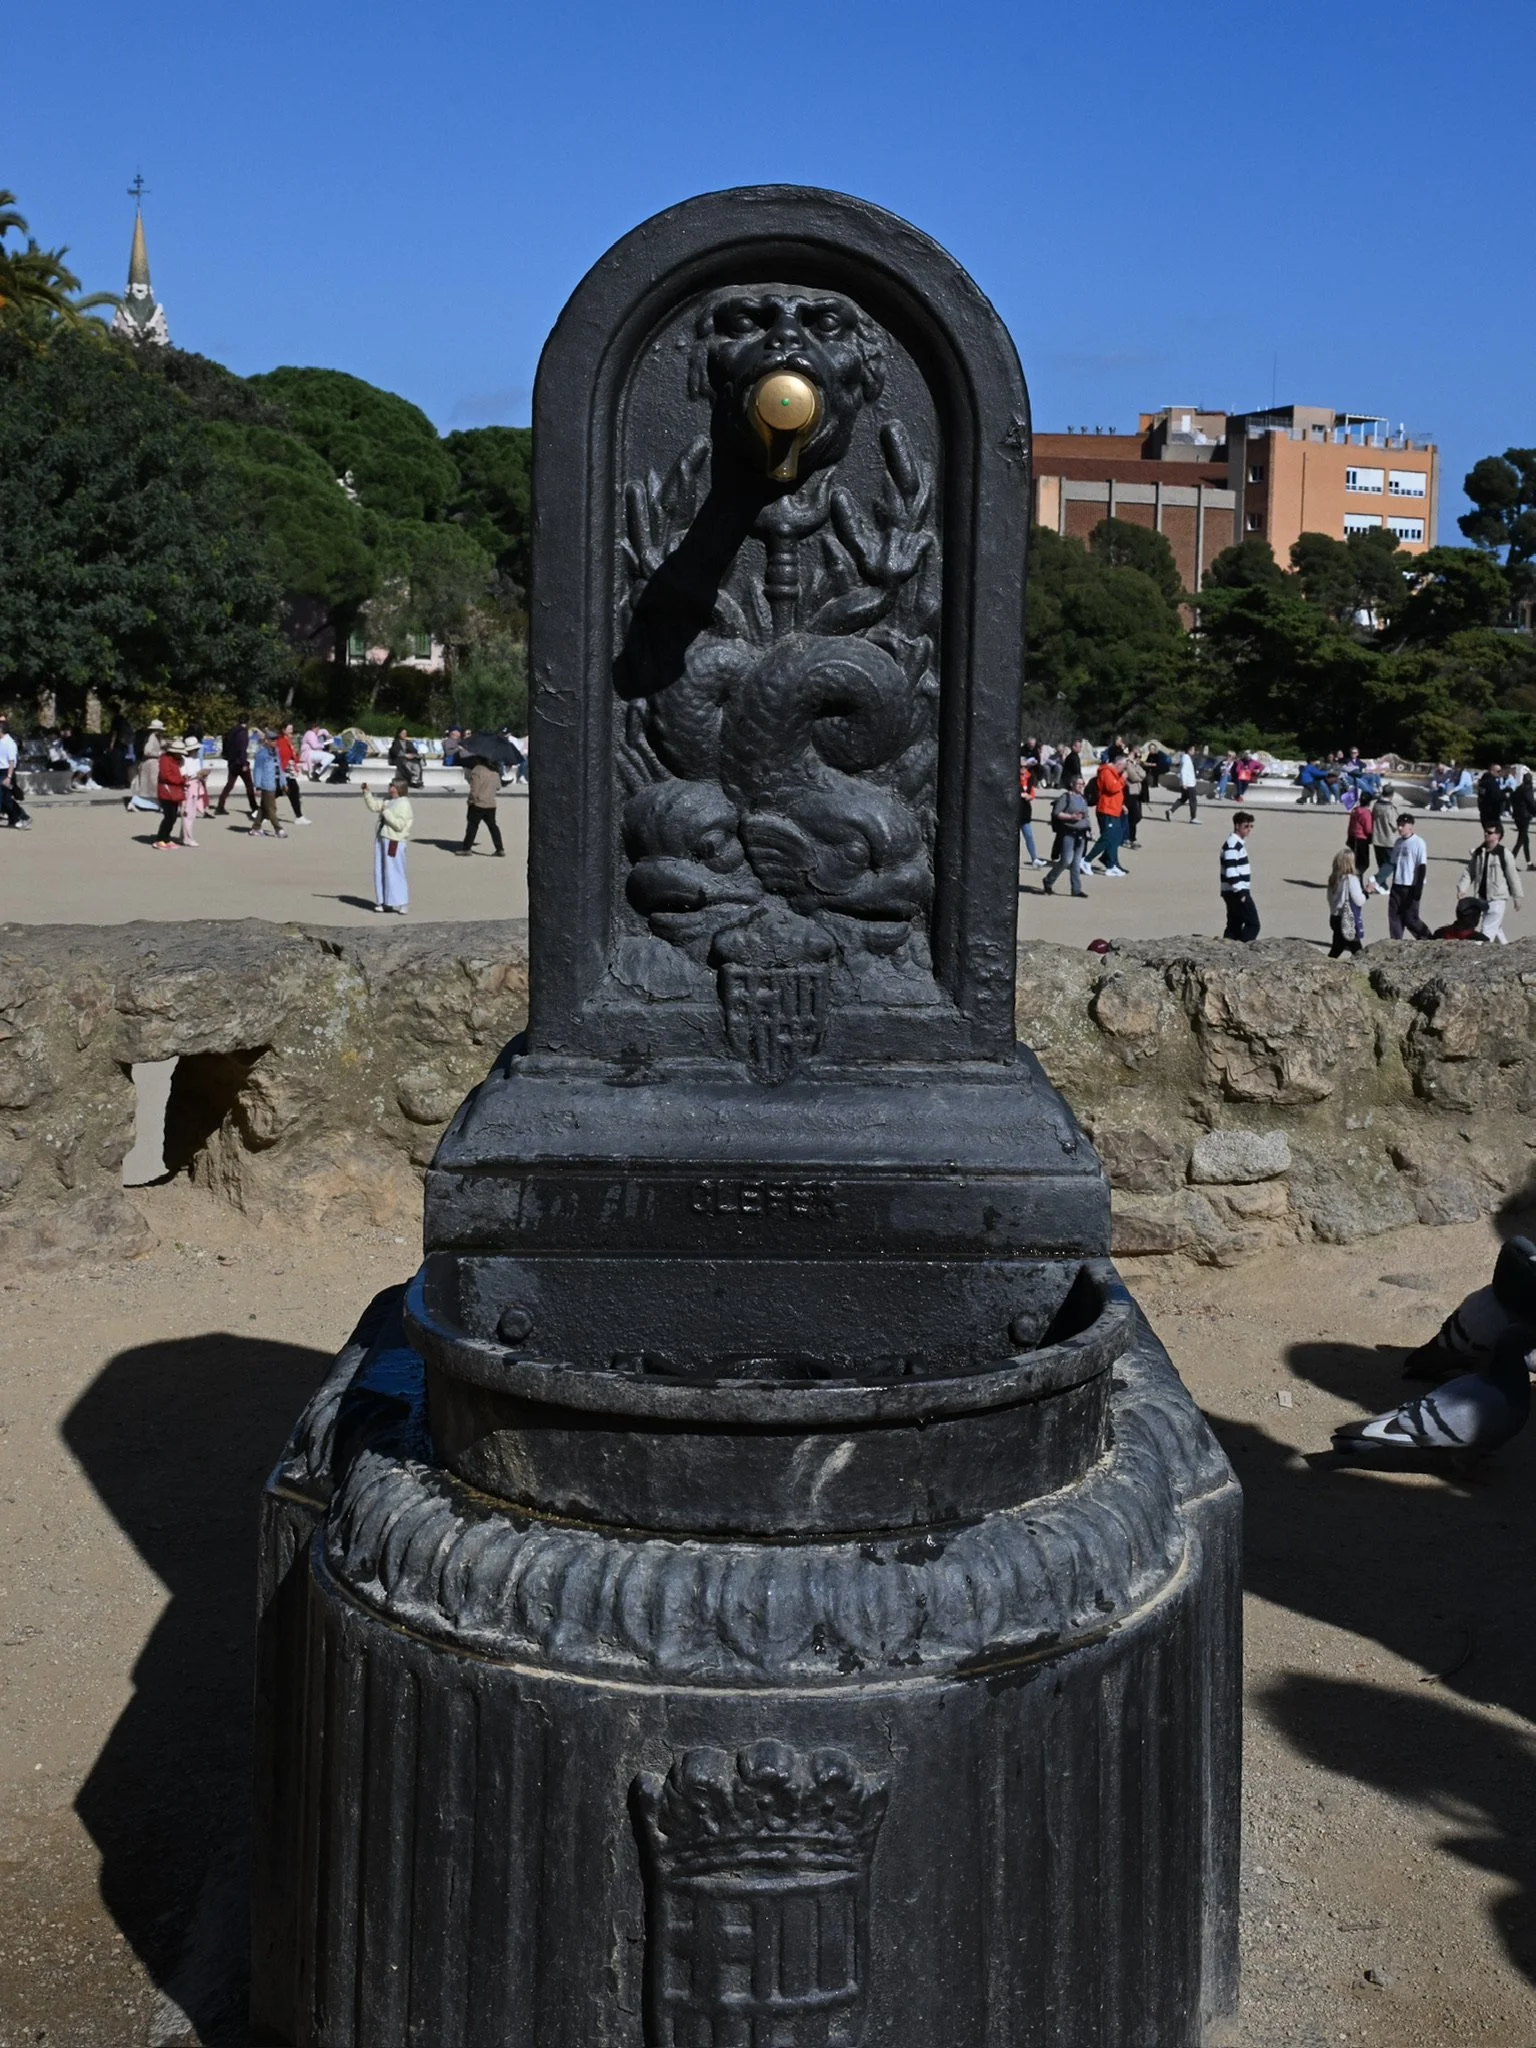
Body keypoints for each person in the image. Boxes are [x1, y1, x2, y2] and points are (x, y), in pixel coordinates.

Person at [1457, 821, 1523, 944]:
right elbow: (1469, 872)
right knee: (1496, 929)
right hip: (1482, 898)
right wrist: (1462, 888)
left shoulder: (1505, 854)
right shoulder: (1478, 852)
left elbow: (1513, 877)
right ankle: (1507, 952)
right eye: (1485, 832)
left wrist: (1517, 897)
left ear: (1498, 835)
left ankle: (1477, 959)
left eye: (1490, 832)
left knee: (1486, 930)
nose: (1486, 834)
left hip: (1498, 899)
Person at [362, 771, 414, 912]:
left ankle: (402, 902)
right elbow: (374, 806)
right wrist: (367, 793)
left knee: (395, 871)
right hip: (382, 838)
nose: (390, 788)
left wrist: (386, 812)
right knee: (380, 870)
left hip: (394, 841)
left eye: (393, 786)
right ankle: (384, 901)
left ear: (399, 789)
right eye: (390, 786)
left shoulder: (404, 804)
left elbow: (399, 825)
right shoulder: (389, 801)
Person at [1040, 776, 1091, 896]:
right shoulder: (1066, 797)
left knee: (1076, 862)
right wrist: (1071, 817)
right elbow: (1057, 813)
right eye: (1078, 784)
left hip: (1082, 833)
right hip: (1068, 832)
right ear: (1072, 784)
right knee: (1066, 860)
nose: (1081, 786)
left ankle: (1076, 889)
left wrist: (1089, 829)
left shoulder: (1082, 798)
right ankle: (1048, 880)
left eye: (1082, 784)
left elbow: (1086, 816)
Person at [1084, 745, 1128, 875]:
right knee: (1107, 837)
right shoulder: (1106, 772)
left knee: (1115, 837)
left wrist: (1122, 805)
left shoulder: (1114, 774)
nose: (1123, 769)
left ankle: (1111, 865)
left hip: (1114, 809)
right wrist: (1122, 779)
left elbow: (1116, 792)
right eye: (1123, 766)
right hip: (1106, 809)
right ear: (1118, 764)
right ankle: (1086, 860)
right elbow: (1112, 788)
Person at [1387, 813, 1431, 939]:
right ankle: (1395, 943)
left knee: (1411, 918)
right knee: (1394, 916)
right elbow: (1393, 863)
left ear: (1410, 826)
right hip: (1397, 885)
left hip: (1411, 886)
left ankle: (1427, 938)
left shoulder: (1419, 842)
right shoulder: (1398, 843)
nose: (1400, 828)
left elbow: (1422, 866)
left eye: (1403, 825)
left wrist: (1418, 889)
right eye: (1398, 825)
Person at [1219, 810, 1259, 941]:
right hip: (1236, 892)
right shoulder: (1232, 844)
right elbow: (1231, 871)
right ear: (1237, 826)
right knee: (1253, 924)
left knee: (1234, 925)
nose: (1249, 829)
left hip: (1233, 891)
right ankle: (1241, 950)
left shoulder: (1236, 843)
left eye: (1250, 826)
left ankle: (1226, 950)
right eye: (1246, 826)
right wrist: (1241, 893)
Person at [457, 754, 506, 857]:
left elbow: (474, 789)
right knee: (493, 827)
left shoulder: (477, 770)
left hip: (478, 803)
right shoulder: (495, 771)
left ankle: (467, 848)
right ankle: (500, 848)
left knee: (472, 826)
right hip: (491, 803)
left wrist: (471, 800)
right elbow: (498, 787)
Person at [1326, 846, 1369, 957]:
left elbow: (1330, 899)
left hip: (1334, 917)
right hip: (1347, 919)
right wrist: (1366, 893)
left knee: (1337, 948)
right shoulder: (1351, 879)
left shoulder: (1333, 879)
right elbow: (1359, 900)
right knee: (1358, 951)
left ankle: (1327, 967)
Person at [249, 729, 287, 839]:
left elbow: (280, 768)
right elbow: (258, 771)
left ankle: (256, 828)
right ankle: (278, 829)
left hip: (275, 784)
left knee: (265, 807)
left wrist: (283, 782)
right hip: (266, 784)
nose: (275, 742)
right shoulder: (261, 754)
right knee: (271, 808)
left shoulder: (277, 752)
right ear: (267, 741)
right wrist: (258, 787)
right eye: (272, 740)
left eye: (276, 740)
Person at [216, 712, 256, 816]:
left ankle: (220, 806)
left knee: (229, 785)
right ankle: (254, 807)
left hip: (232, 761)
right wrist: (244, 763)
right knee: (249, 786)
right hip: (240, 762)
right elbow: (241, 749)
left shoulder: (233, 731)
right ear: (248, 721)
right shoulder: (243, 732)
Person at [151, 736, 187, 848]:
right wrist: (181, 780)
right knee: (169, 816)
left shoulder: (176, 761)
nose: (181, 755)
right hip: (166, 791)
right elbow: (166, 776)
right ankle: (160, 838)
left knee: (173, 817)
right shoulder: (165, 760)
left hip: (174, 791)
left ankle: (166, 838)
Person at [274, 720, 310, 823]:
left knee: (288, 791)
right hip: (284, 770)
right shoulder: (281, 741)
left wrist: (297, 761)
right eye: (289, 729)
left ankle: (299, 816)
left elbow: (291, 755)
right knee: (288, 791)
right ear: (283, 730)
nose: (291, 730)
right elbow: (281, 756)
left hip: (288, 770)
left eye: (292, 728)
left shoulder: (287, 740)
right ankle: (299, 817)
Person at [0, 714, 31, 829]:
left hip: (6, 772)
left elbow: (12, 761)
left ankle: (23, 817)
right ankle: (15, 818)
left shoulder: (11, 742)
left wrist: (9, 776)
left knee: (5, 799)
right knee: (5, 799)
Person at [180, 733, 209, 846]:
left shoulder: (196, 759)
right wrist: (196, 775)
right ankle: (188, 838)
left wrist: (203, 775)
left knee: (191, 812)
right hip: (188, 787)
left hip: (196, 785)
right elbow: (184, 775)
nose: (196, 751)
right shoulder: (184, 760)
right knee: (188, 813)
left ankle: (183, 835)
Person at [1370, 784, 1399, 889]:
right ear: (1391, 795)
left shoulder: (1376, 805)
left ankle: (1382, 885)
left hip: (1377, 838)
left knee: (1381, 863)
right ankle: (1377, 879)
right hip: (1388, 839)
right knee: (1392, 863)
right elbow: (1395, 825)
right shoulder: (1389, 808)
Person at [1017, 748, 1042, 867]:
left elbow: (1032, 793)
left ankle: (1034, 858)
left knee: (1029, 836)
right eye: (1021, 767)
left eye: (1025, 767)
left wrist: (1029, 796)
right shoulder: (1014, 777)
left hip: (1025, 811)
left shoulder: (1030, 777)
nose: (1023, 769)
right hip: (1015, 811)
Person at [1121, 748, 1147, 849]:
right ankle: (1127, 838)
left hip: (1137, 793)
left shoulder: (1136, 765)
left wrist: (1137, 767)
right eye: (1138, 756)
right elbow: (1134, 777)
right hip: (1129, 793)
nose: (1139, 758)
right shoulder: (1127, 763)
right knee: (1131, 817)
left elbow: (1144, 774)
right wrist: (1137, 770)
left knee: (1137, 816)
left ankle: (1132, 837)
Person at [1510, 772, 1536, 870]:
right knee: (1521, 840)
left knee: (1525, 840)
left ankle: (1529, 863)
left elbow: (1512, 799)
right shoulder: (1528, 789)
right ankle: (1509, 862)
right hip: (1524, 817)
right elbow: (1531, 803)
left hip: (1517, 816)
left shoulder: (1518, 789)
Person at [1167, 746, 1199, 823]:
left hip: (1187, 783)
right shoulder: (1186, 759)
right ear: (1189, 750)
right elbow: (1183, 771)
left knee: (1183, 799)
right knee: (1193, 800)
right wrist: (1184, 783)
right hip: (1188, 784)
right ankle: (1193, 817)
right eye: (1193, 750)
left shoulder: (1185, 758)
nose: (1194, 752)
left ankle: (1171, 811)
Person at [1346, 792, 1375, 876]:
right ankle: (1355, 877)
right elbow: (1368, 829)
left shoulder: (1355, 810)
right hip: (1362, 839)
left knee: (1356, 862)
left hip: (1352, 837)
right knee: (1364, 863)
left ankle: (1358, 882)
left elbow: (1350, 825)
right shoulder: (1366, 813)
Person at [1476, 764, 1506, 831]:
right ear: (1492, 771)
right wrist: (1504, 795)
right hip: (1492, 814)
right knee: (1496, 833)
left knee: (1489, 833)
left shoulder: (1483, 782)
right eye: (1498, 771)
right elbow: (1497, 797)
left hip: (1483, 812)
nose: (1500, 773)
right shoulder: (1491, 783)